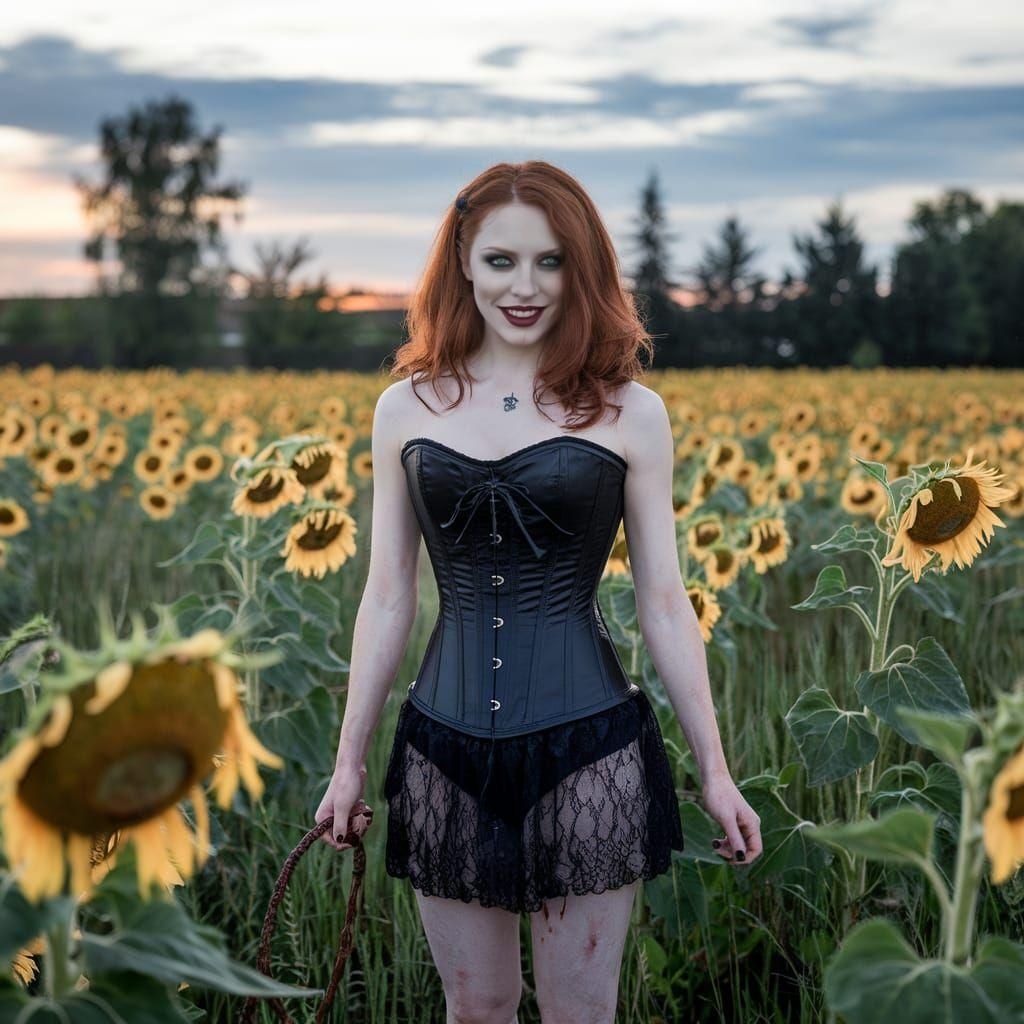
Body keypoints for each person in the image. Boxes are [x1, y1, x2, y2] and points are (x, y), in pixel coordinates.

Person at [315, 160, 762, 1024]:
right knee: (476, 1006)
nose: (524, 287)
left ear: (582, 268)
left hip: (588, 749)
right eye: (500, 261)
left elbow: (665, 600)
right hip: (441, 753)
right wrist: (347, 762)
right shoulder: (404, 408)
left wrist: (716, 771)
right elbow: (388, 596)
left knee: (578, 1014)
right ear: (463, 265)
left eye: (550, 261)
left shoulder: (631, 413)